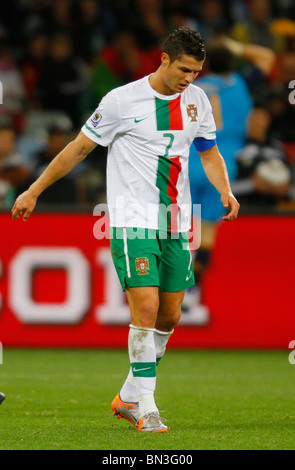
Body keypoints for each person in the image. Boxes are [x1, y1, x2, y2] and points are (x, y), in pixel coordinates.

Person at [11, 27, 240, 433]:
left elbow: (209, 151)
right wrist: (34, 190)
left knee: (169, 316)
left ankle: (129, 394)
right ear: (164, 59)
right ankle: (146, 408)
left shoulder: (198, 100)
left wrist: (225, 189)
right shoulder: (121, 100)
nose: (190, 78)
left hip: (176, 221)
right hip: (131, 218)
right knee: (146, 308)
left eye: (197, 71)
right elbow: (78, 148)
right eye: (185, 69)